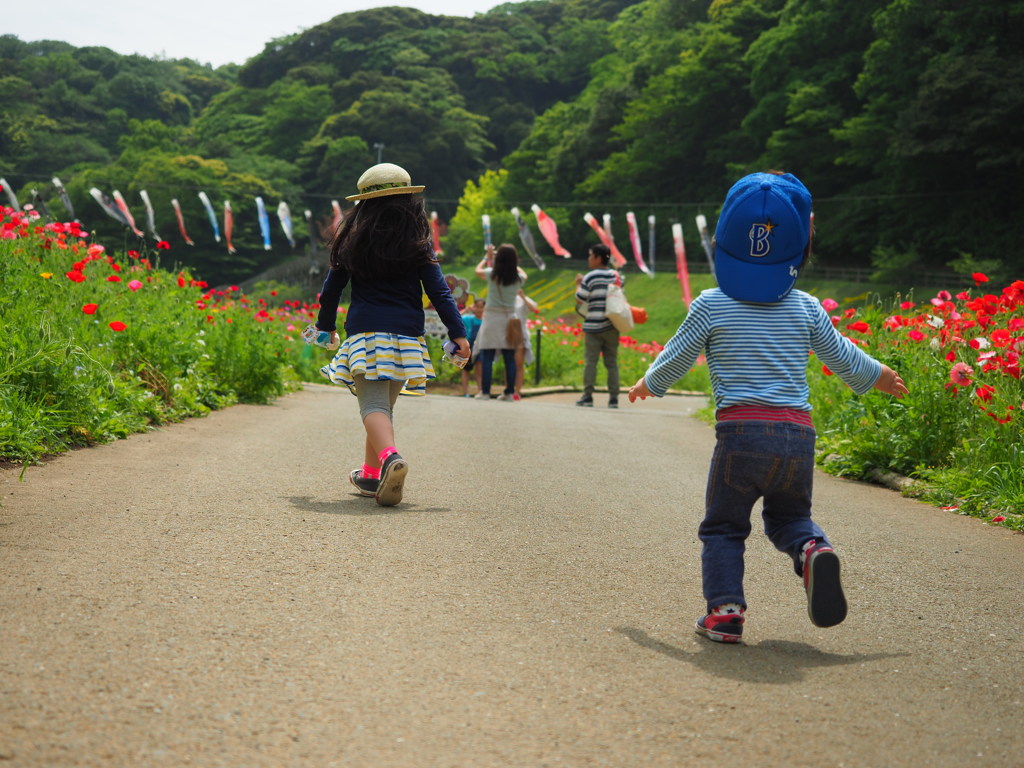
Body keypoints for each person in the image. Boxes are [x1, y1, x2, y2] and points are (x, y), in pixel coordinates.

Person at [628, 171, 908, 643]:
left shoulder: (711, 305)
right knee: (790, 518)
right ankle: (812, 549)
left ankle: (725, 612)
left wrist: (647, 384)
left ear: (722, 242)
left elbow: (676, 356)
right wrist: (879, 376)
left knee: (724, 527)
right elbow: (844, 357)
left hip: (740, 437)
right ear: (801, 248)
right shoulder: (806, 308)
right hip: (797, 437)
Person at [314, 163, 469, 507]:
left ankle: (390, 458)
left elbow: (331, 291)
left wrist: (325, 328)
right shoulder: (418, 242)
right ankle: (371, 475)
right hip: (406, 338)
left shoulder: (352, 240)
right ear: (409, 201)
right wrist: (458, 334)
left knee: (371, 404)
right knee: (384, 407)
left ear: (364, 204)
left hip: (366, 334)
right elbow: (440, 291)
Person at [474, 243, 527, 401]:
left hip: (491, 319)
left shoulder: (492, 274)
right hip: (509, 320)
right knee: (509, 357)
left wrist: (488, 257)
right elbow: (524, 273)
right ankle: (509, 392)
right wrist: (512, 264)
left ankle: (485, 392)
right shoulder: (518, 278)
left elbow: (477, 271)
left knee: (487, 356)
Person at [575, 243, 622, 408]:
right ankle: (614, 399)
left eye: (590, 255)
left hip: (593, 326)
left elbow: (581, 299)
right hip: (612, 325)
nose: (589, 259)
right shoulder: (616, 276)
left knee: (591, 362)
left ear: (597, 258)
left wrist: (578, 284)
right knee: (612, 363)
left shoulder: (590, 276)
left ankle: (587, 396)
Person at [512, 291, 539, 400]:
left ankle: (517, 391)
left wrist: (523, 297)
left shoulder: (524, 299)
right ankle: (508, 389)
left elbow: (534, 309)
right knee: (509, 362)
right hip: (508, 331)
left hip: (520, 331)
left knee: (518, 363)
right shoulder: (507, 296)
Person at [459, 298, 485, 397]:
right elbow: (457, 317)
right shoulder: (469, 318)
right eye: (477, 307)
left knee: (479, 370)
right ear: (474, 307)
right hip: (469, 346)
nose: (479, 309)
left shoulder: (486, 320)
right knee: (466, 370)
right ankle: (465, 392)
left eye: (481, 307)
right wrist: (466, 310)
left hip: (481, 346)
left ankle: (480, 391)